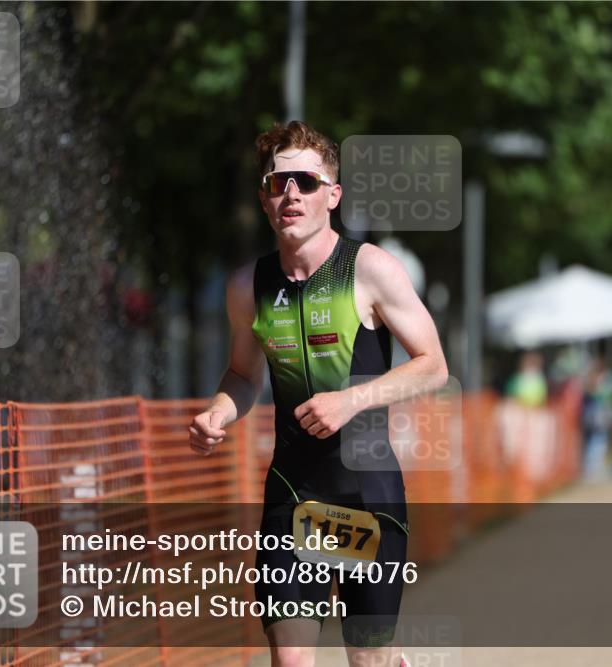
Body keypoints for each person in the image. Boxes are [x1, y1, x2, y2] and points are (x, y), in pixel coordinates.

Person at [189, 121, 447, 667]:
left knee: (367, 658)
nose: (290, 194)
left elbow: (434, 367)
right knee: (292, 661)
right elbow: (241, 376)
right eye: (276, 183)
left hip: (365, 494)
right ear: (263, 197)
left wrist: (349, 400)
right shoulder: (247, 288)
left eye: (305, 181)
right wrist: (217, 411)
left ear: (333, 194)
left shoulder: (370, 269)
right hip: (294, 493)